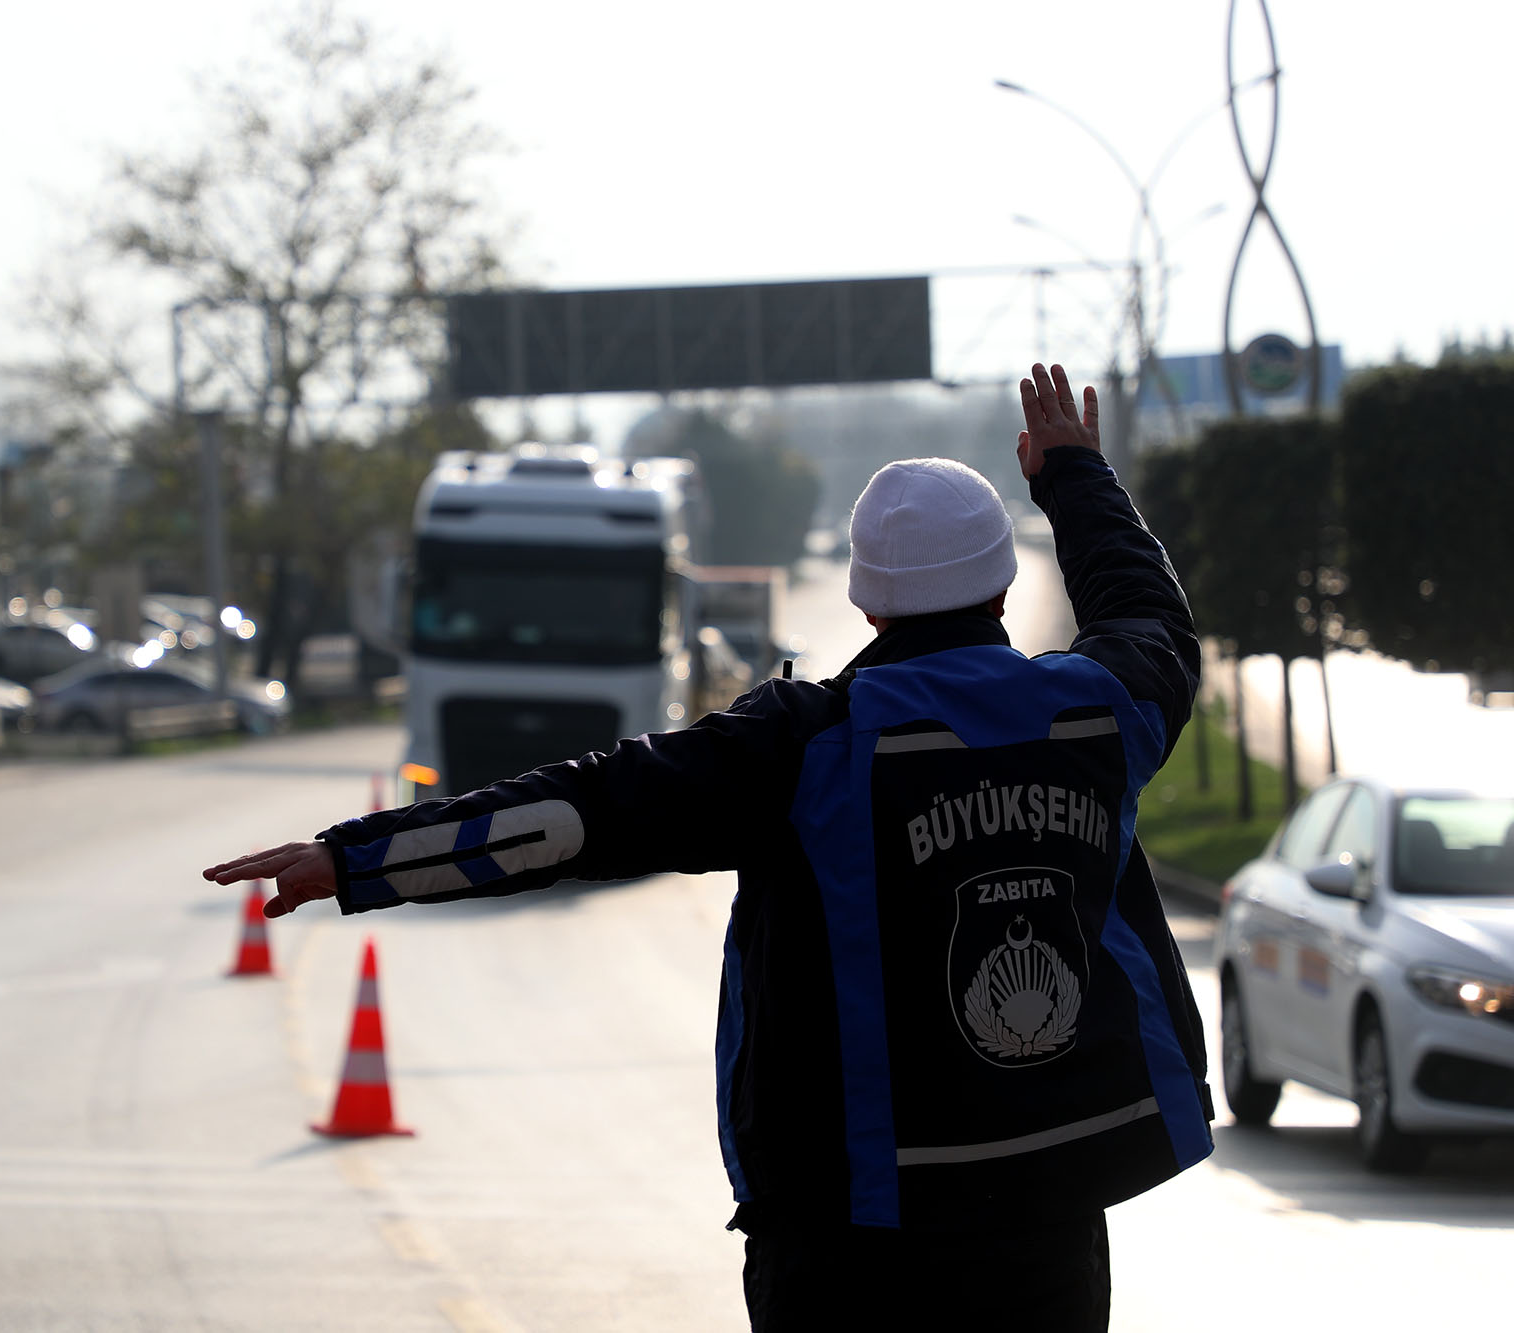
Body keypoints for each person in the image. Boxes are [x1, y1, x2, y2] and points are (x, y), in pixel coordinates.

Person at [204, 363, 1213, 1331]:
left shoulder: (804, 743)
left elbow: (572, 814)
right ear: (1002, 585)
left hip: (847, 1229)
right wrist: (1072, 474)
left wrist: (353, 859)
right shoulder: (1103, 708)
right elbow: (1146, 612)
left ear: (865, 601)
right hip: (1047, 1217)